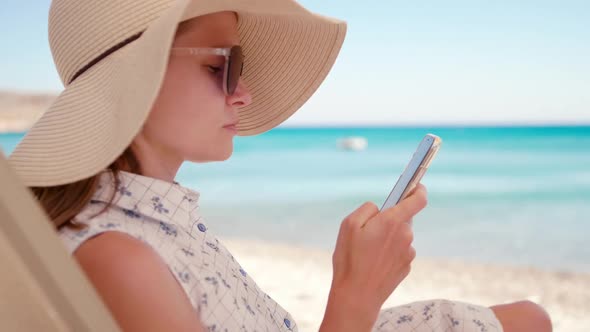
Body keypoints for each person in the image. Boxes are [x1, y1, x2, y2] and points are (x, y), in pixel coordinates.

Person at [9, 0, 552, 331]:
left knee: (531, 317)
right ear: (137, 77)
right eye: (226, 65)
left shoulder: (148, 221)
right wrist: (354, 294)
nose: (244, 94)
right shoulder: (118, 258)